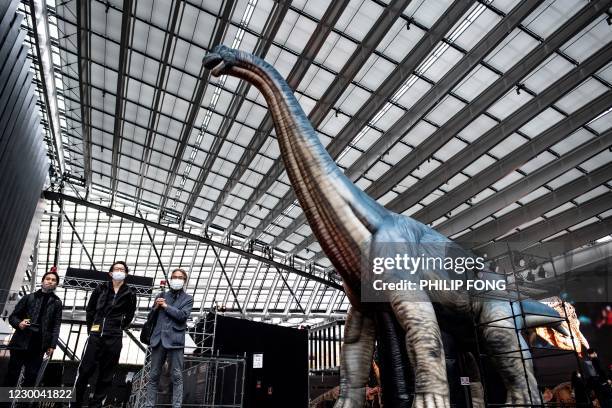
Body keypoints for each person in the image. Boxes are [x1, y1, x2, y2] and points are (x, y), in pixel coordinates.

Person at [73, 261, 137, 407]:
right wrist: (92, 328)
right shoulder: (100, 288)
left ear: (126, 274)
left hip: (114, 336)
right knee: (85, 371)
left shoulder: (130, 292)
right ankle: (75, 403)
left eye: (122, 269)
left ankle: (95, 405)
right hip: (96, 335)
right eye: (116, 269)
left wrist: (120, 326)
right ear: (110, 273)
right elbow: (90, 309)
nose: (119, 271)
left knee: (106, 374)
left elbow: (130, 314)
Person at [4, 268, 62, 387]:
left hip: (39, 346)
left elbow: (56, 325)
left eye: (53, 280)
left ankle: (23, 405)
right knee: (11, 377)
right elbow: (13, 317)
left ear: (56, 284)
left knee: (30, 380)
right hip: (20, 342)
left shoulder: (57, 302)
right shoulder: (28, 297)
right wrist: (19, 323)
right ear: (42, 281)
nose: (50, 281)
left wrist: (52, 345)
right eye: (48, 279)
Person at [145, 268, 193, 408]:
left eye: (180, 277)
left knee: (177, 376)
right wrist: (155, 307)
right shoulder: (161, 294)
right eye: (174, 277)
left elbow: (182, 316)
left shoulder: (188, 299)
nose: (176, 279)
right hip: (158, 339)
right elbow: (150, 318)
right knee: (153, 376)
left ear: (184, 281)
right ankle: (149, 405)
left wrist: (165, 306)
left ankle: (176, 406)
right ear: (170, 279)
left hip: (175, 341)